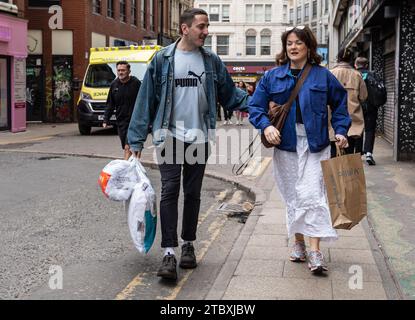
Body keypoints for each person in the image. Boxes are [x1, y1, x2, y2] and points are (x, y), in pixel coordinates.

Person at [127, 8, 249, 280]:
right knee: (170, 190)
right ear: (185, 29)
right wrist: (135, 138)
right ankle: (169, 251)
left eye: (207, 27)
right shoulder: (162, 59)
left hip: (199, 137)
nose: (206, 32)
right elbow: (146, 100)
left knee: (192, 193)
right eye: (202, 27)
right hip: (169, 135)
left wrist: (261, 105)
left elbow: (231, 95)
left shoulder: (211, 61)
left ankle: (188, 245)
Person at [249, 26, 351, 274]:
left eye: (298, 43)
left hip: (316, 145)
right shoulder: (272, 76)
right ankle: (298, 242)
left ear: (309, 47)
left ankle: (315, 250)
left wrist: (341, 130)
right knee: (293, 196)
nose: (293, 47)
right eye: (289, 43)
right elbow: (255, 107)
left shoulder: (322, 76)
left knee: (313, 195)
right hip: (285, 145)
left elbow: (340, 104)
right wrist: (265, 127)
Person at [330, 49, 367, 156]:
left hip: (333, 122)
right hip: (353, 122)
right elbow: (364, 96)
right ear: (351, 60)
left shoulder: (330, 73)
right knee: (349, 155)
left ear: (338, 58)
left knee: (333, 156)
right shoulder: (357, 75)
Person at [103, 61, 141, 160]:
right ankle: (135, 166)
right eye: (119, 70)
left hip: (135, 121)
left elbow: (143, 101)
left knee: (128, 147)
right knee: (129, 147)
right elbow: (110, 104)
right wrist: (106, 119)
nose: (120, 72)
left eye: (123, 70)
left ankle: (126, 168)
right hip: (121, 122)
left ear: (129, 71)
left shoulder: (136, 83)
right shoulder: (114, 85)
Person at [355, 57, 381, 165]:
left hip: (357, 107)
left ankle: (358, 153)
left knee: (357, 129)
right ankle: (369, 154)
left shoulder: (354, 75)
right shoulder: (373, 75)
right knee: (370, 130)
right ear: (366, 65)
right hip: (371, 107)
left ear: (356, 65)